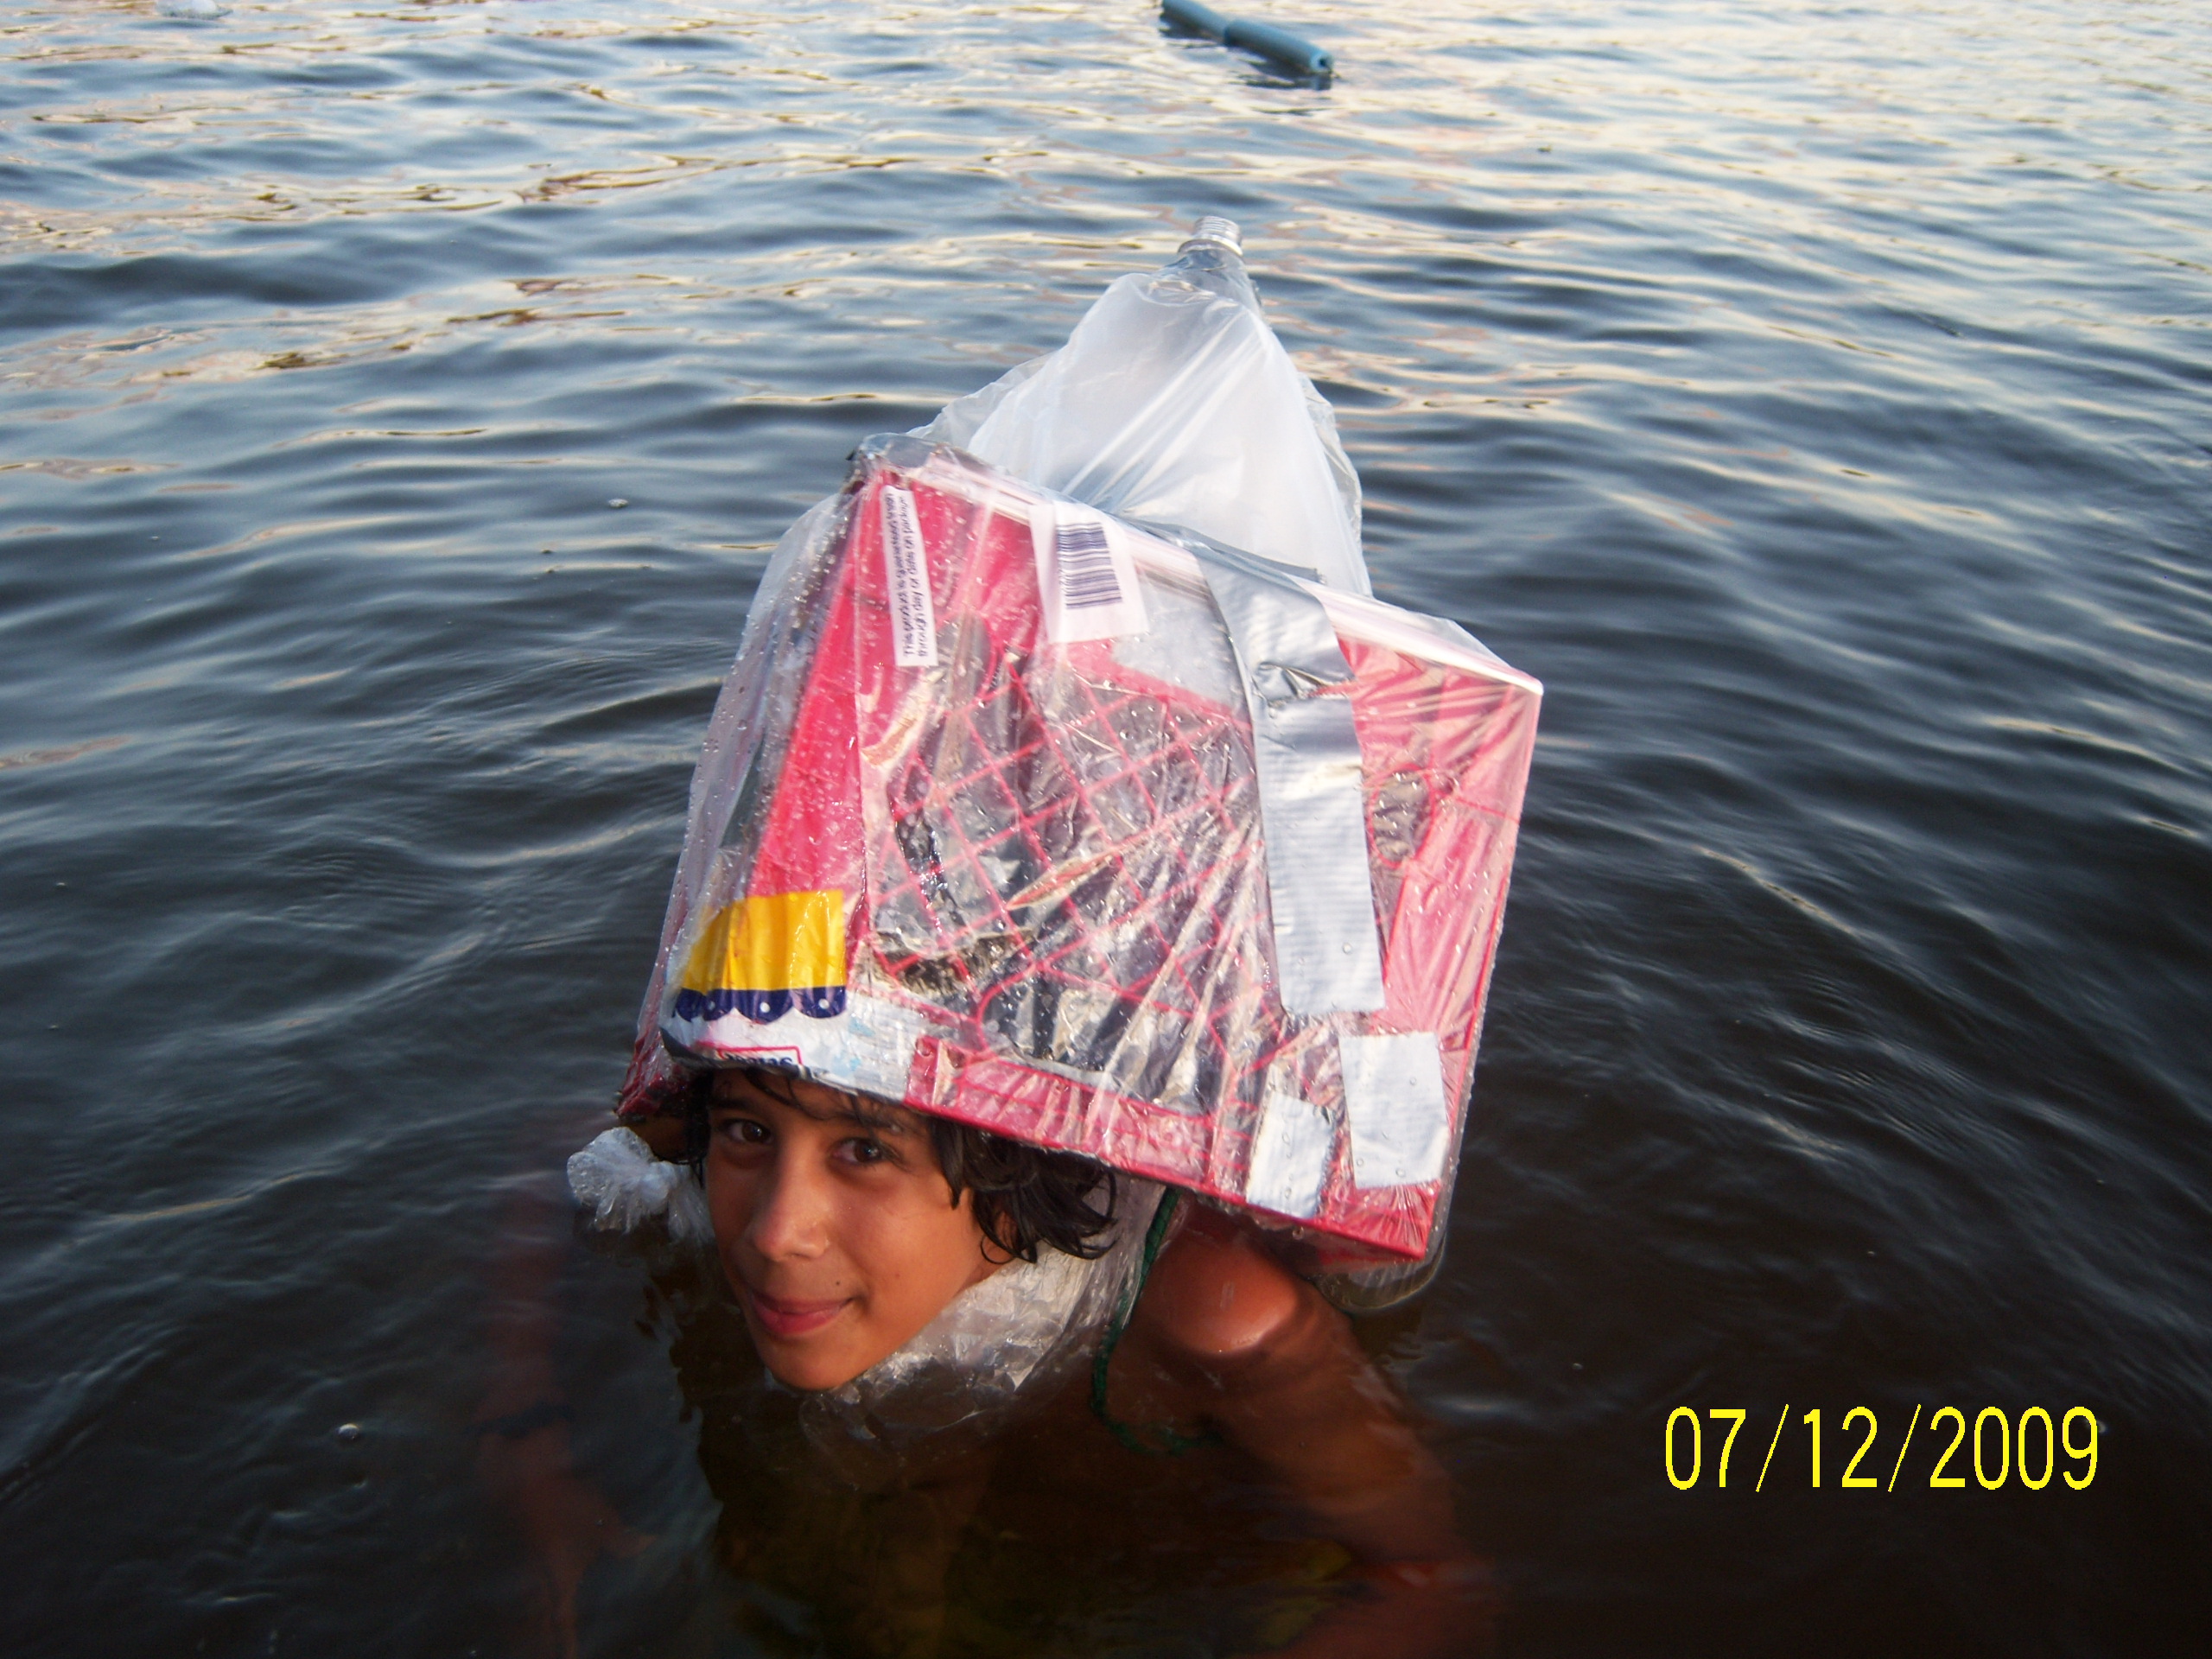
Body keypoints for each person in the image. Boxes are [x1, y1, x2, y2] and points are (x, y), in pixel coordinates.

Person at [478, 1061, 1493, 1658]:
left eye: (864, 1151)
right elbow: (560, 1144)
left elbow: (1433, 1580)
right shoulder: (776, 1113)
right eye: (746, 1130)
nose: (775, 1232)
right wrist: (529, 1443)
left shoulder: (1210, 1315)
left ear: (1010, 1162)